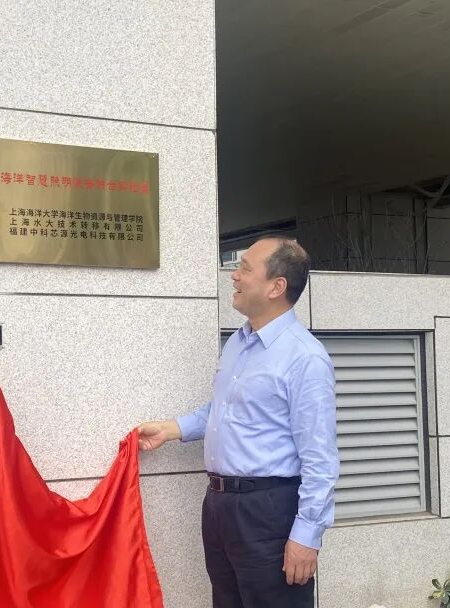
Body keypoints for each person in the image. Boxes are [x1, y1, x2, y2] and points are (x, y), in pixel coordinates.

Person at [137, 236, 338, 608]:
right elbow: (224, 410)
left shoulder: (305, 358)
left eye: (245, 268)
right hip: (219, 507)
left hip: (268, 512)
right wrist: (172, 429)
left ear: (276, 287)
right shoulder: (238, 344)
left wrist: (306, 535)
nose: (234, 275)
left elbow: (320, 458)